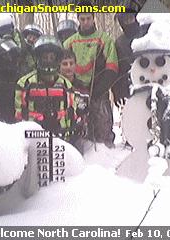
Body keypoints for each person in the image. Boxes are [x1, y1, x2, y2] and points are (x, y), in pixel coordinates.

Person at [63, 0, 119, 148]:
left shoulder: (104, 39)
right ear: (78, 19)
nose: (86, 22)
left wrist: (96, 90)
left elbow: (112, 68)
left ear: (93, 18)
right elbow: (62, 68)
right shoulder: (69, 42)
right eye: (82, 19)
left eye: (88, 18)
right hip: (75, 91)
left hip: (98, 91)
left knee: (103, 128)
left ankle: (107, 154)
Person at [15, 35, 76, 138]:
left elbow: (70, 114)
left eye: (52, 57)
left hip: (60, 138)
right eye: (45, 57)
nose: (48, 61)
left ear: (57, 59)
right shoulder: (25, 83)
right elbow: (19, 114)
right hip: (33, 137)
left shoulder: (65, 85)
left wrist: (69, 134)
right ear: (38, 58)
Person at [60, 49, 89, 153]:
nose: (68, 67)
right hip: (58, 135)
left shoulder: (82, 87)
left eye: (71, 63)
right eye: (64, 64)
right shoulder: (55, 86)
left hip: (77, 136)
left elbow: (85, 110)